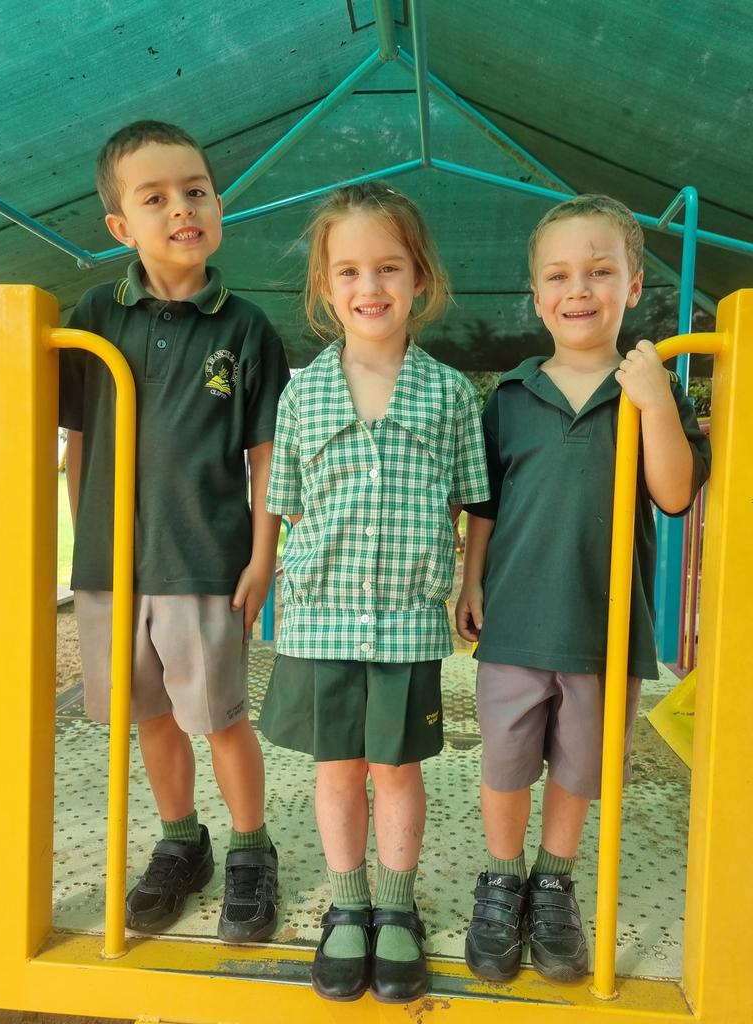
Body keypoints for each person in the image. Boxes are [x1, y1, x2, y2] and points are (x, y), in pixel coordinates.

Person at [456, 194, 711, 983]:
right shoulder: (510, 396)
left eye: (600, 272)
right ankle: (503, 879)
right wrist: (470, 579)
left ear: (634, 286)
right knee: (505, 763)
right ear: (536, 296)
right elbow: (485, 505)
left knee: (580, 768)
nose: (579, 290)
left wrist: (655, 401)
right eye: (560, 275)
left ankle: (555, 879)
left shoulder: (647, 390)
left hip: (606, 629)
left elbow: (674, 494)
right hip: (517, 620)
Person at [60, 120, 290, 943]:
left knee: (219, 715)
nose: (182, 208)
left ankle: (252, 849)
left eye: (195, 191)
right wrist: (91, 545)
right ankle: (180, 837)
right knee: (145, 712)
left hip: (204, 561)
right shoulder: (92, 314)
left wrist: (263, 556)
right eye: (155, 198)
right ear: (121, 226)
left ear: (218, 204)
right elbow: (77, 445)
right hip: (109, 567)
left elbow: (267, 457)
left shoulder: (245, 327)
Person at [259, 182, 489, 1003]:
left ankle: (395, 910)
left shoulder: (451, 395)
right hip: (320, 620)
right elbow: (280, 502)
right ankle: (347, 905)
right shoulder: (303, 395)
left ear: (419, 278)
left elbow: (476, 500)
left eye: (388, 267)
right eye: (349, 271)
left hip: (405, 623)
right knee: (336, 770)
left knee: (394, 770)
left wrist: (470, 582)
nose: (370, 288)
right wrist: (261, 575)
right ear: (325, 288)